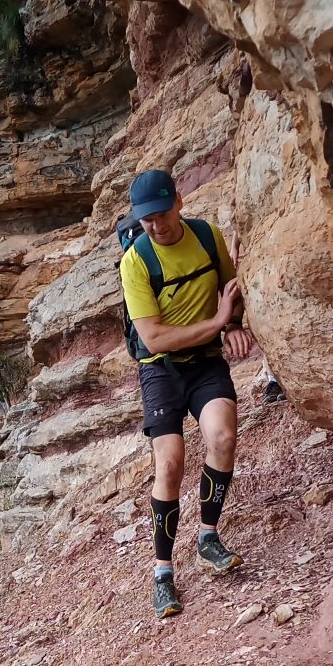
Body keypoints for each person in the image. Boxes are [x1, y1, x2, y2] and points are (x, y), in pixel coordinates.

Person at [119, 168, 255, 620]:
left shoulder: (206, 236)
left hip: (205, 362)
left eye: (161, 214)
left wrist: (232, 324)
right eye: (146, 219)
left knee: (223, 436)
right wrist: (217, 323)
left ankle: (208, 538)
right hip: (160, 370)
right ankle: (163, 574)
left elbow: (230, 290)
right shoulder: (135, 262)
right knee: (171, 463)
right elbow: (154, 337)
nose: (156, 225)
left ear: (178, 201)